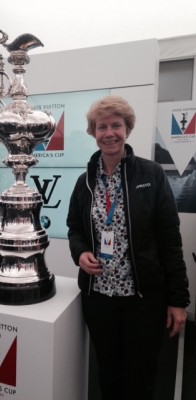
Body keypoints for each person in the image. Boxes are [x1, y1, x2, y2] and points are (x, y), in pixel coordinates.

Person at [66, 95, 190, 400]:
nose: (109, 132)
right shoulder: (85, 182)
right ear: (93, 133)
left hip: (143, 298)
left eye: (116, 125)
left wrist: (178, 300)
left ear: (128, 129)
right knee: (108, 372)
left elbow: (170, 239)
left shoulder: (151, 175)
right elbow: (75, 230)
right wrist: (80, 253)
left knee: (140, 375)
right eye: (102, 126)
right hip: (100, 298)